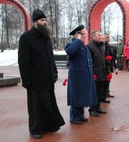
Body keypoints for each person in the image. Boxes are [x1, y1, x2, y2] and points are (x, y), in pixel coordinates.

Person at [18, 9, 65, 139]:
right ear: (35, 22)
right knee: (36, 107)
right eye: (42, 20)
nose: (45, 23)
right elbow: (23, 61)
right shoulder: (26, 37)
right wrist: (26, 80)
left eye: (45, 20)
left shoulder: (46, 38)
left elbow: (50, 57)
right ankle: (35, 129)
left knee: (48, 104)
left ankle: (49, 126)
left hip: (48, 79)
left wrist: (54, 72)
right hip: (35, 80)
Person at [65, 25, 98, 124]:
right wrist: (78, 40)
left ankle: (80, 115)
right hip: (76, 76)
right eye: (82, 34)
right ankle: (74, 117)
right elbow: (70, 52)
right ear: (77, 35)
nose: (84, 36)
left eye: (84, 34)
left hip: (84, 76)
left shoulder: (82, 45)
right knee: (76, 97)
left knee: (82, 96)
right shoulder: (71, 44)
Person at [87, 30, 107, 117]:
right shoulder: (90, 46)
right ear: (93, 36)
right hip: (94, 74)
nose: (100, 36)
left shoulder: (102, 46)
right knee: (93, 92)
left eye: (101, 35)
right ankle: (92, 109)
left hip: (102, 73)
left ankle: (98, 107)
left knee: (100, 92)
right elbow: (88, 62)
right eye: (99, 35)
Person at [104, 33, 116, 99]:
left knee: (108, 79)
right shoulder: (102, 46)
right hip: (104, 66)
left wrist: (113, 65)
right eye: (107, 37)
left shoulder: (109, 46)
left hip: (109, 65)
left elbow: (112, 56)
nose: (108, 39)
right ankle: (104, 92)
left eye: (108, 37)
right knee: (104, 80)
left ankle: (107, 92)